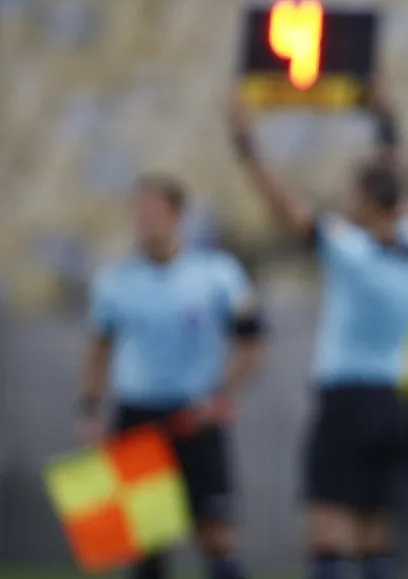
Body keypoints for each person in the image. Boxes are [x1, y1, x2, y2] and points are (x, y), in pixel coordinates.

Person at [228, 88, 408, 579]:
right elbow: (389, 184)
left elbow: (286, 210)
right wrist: (387, 120)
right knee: (375, 537)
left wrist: (247, 148)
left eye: (353, 194)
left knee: (328, 533)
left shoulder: (350, 251)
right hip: (395, 401)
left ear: (364, 200)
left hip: (346, 403)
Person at [77, 174, 266, 579]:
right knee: (147, 542)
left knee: (217, 537)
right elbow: (98, 350)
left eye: (153, 210)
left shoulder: (217, 272)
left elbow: (253, 344)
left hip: (195, 418)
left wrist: (219, 396)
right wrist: (90, 410)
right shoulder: (115, 280)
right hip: (139, 417)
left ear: (177, 214)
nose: (144, 219)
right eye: (138, 212)